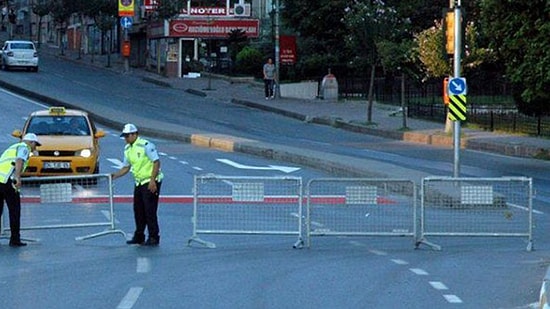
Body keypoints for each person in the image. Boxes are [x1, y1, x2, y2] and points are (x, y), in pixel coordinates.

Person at [111, 124, 163, 246]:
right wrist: (114, 176)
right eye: (124, 136)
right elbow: (126, 167)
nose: (126, 139)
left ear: (135, 134)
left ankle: (154, 236)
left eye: (127, 136)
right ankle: (139, 236)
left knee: (149, 210)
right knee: (138, 210)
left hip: (150, 181)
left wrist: (152, 180)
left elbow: (156, 162)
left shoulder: (145, 145)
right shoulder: (127, 149)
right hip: (139, 182)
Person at [0, 133, 41, 247]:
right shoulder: (24, 147)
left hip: (0, 180)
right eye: (35, 145)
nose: (35, 148)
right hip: (8, 181)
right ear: (31, 142)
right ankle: (15, 239)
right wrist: (17, 177)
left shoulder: (13, 147)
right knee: (14, 211)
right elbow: (19, 160)